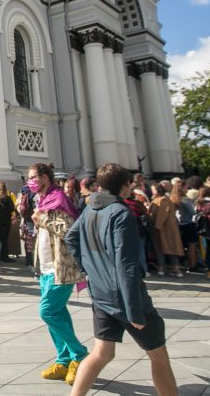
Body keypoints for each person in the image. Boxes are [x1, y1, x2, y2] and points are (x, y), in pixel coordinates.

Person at [65, 164, 178, 396]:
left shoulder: (91, 207)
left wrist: (89, 268)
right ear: (124, 185)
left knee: (101, 353)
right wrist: (134, 309)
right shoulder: (121, 213)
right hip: (125, 296)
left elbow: (71, 238)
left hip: (100, 293)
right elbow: (125, 264)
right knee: (158, 355)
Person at [29, 163, 87, 386]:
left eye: (33, 177)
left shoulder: (58, 198)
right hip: (45, 267)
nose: (30, 181)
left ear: (45, 177)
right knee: (58, 313)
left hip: (61, 267)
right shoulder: (43, 200)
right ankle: (64, 360)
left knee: (47, 311)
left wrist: (41, 218)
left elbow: (68, 229)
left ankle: (79, 354)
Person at [150, 184, 184, 277]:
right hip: (169, 226)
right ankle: (175, 269)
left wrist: (156, 226)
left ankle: (165, 268)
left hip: (163, 227)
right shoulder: (165, 199)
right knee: (170, 247)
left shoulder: (162, 200)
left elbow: (161, 214)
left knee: (162, 246)